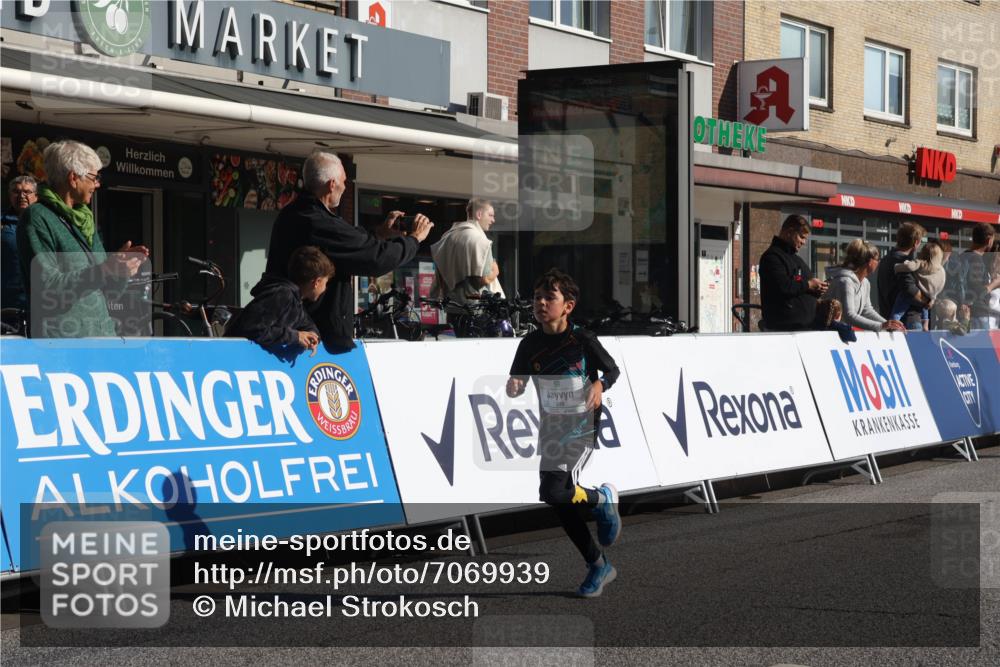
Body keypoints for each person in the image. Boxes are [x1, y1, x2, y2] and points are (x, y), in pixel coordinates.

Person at [506, 268, 622, 598]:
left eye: (549, 298)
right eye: (537, 298)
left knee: (556, 491)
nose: (541, 303)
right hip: (552, 426)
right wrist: (515, 386)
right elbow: (517, 382)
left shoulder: (582, 339)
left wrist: (600, 383)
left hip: (582, 424)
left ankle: (601, 501)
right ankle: (598, 561)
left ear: (567, 306)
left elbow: (612, 369)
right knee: (555, 497)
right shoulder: (530, 343)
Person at [262, 150, 433, 349]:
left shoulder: (292, 213)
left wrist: (381, 233)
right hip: (313, 338)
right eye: (344, 181)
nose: (345, 186)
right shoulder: (318, 222)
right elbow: (375, 258)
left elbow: (352, 242)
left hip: (292, 328)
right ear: (332, 184)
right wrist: (414, 239)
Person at [17, 140, 148, 338]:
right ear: (73, 178)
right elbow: (48, 288)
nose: (97, 184)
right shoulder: (37, 218)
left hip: (101, 340)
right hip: (62, 345)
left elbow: (107, 292)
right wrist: (104, 269)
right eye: (94, 177)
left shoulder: (84, 220)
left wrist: (121, 271)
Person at [225, 246, 333, 354]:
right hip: (230, 356)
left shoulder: (295, 300)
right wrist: (296, 337)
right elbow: (253, 328)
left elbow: (308, 325)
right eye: (326, 283)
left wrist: (311, 336)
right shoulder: (282, 294)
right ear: (317, 282)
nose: (325, 288)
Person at [430, 198, 504, 330]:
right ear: (479, 214)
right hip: (476, 310)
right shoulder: (480, 240)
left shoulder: (447, 237)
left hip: (452, 308)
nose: (493, 220)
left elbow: (441, 276)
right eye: (491, 215)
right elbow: (482, 279)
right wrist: (496, 271)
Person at [758, 214, 828, 331]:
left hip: (804, 328)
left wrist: (818, 289)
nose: (804, 242)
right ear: (789, 232)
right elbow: (783, 286)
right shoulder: (772, 257)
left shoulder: (797, 260)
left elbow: (801, 288)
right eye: (801, 237)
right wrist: (809, 285)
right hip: (784, 331)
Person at [825, 239, 905, 333]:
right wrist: (881, 325)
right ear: (870, 262)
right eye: (877, 259)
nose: (878, 262)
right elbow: (849, 315)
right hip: (829, 333)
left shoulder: (865, 282)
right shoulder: (846, 282)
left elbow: (866, 310)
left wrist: (888, 324)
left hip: (841, 332)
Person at [875, 221, 928, 331]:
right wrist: (928, 301)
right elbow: (910, 289)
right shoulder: (906, 263)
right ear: (916, 242)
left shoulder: (886, 259)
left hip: (888, 318)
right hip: (907, 322)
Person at [892, 240, 946, 331]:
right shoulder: (940, 270)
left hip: (915, 295)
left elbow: (909, 267)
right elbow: (941, 283)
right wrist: (933, 297)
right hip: (928, 297)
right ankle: (925, 324)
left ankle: (893, 323)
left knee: (900, 305)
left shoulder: (920, 263)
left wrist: (897, 267)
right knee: (925, 308)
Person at [2, 175, 37, 311]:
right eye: (16, 192)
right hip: (7, 301)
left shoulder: (45, 223)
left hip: (38, 301)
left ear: (36, 196)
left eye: (27, 192)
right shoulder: (2, 223)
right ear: (10, 195)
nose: (22, 196)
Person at [953, 223, 996, 330]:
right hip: (978, 313)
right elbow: (977, 290)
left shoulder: (962, 256)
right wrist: (994, 283)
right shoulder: (976, 259)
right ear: (989, 240)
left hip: (964, 312)